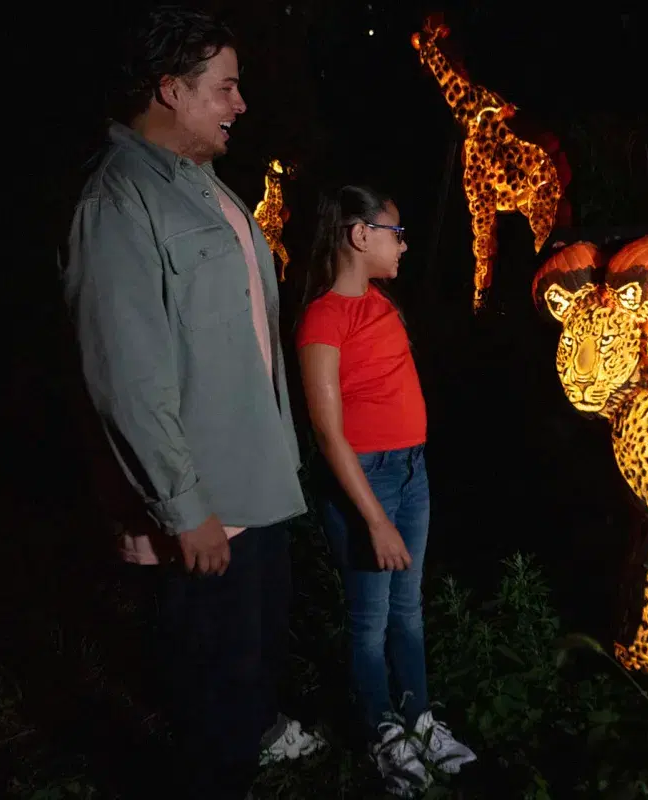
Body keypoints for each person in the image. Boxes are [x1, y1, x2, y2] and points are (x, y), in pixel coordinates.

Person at [60, 6, 322, 798]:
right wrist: (183, 506)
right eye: (225, 88)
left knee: (254, 657)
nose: (240, 104)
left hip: (257, 481)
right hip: (206, 507)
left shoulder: (203, 186)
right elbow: (127, 378)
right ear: (171, 90)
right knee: (208, 692)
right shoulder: (117, 205)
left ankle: (252, 739)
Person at [295, 185, 478, 795]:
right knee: (370, 621)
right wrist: (373, 518)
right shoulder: (323, 317)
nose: (403, 244)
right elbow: (327, 433)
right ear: (359, 235)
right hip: (365, 482)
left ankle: (419, 720)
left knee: (409, 610)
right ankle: (381, 732)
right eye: (394, 232)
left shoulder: (384, 305)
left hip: (410, 471)